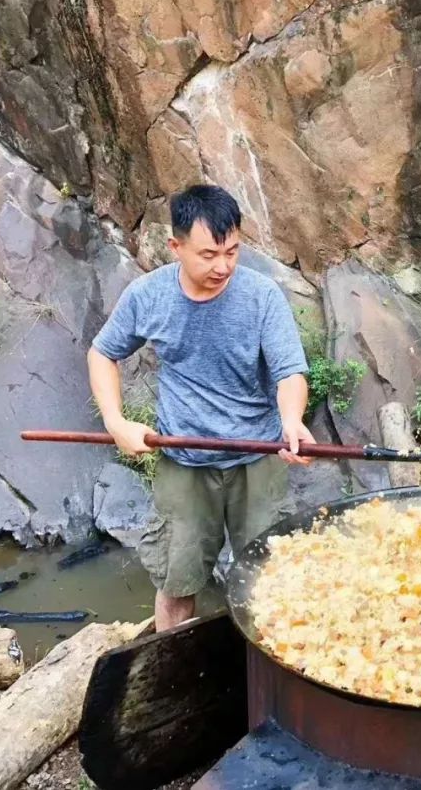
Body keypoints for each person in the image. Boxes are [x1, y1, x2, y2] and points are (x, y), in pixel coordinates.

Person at [88, 184, 314, 632]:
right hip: (184, 462)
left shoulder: (261, 296)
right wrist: (116, 422)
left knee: (271, 582)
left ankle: (266, 683)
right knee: (178, 584)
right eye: (209, 254)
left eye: (232, 251)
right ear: (175, 247)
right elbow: (102, 353)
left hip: (258, 458)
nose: (224, 266)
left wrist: (292, 421)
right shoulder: (147, 296)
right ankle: (172, 683)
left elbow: (290, 371)